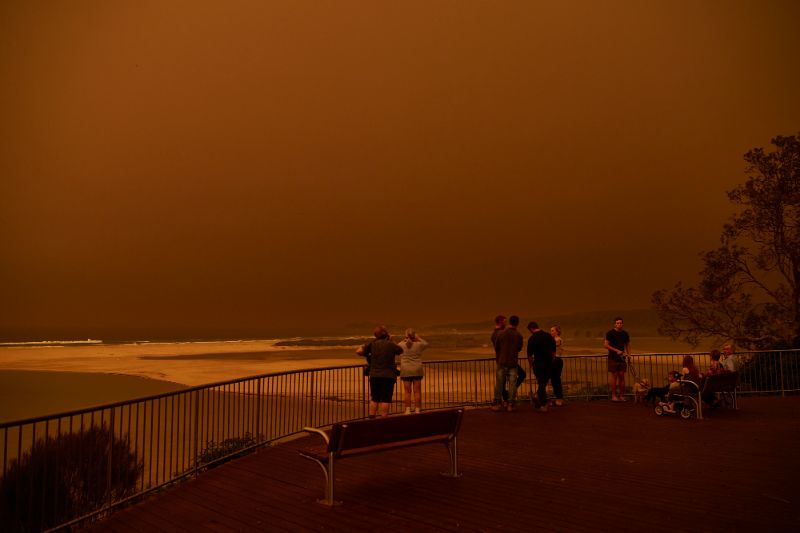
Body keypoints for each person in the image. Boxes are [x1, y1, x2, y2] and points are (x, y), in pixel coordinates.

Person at [356, 326, 403, 417]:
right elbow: (401, 350)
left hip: (374, 375)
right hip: (388, 375)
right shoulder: (390, 344)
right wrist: (392, 340)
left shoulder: (372, 344)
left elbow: (358, 351)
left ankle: (371, 418)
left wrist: (367, 354)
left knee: (374, 398)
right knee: (386, 399)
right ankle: (383, 420)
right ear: (386, 334)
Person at [492, 315, 523, 412]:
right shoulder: (519, 335)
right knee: (512, 384)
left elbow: (497, 347)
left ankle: (497, 403)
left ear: (509, 322)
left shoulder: (501, 333)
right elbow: (519, 348)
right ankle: (511, 404)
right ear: (517, 323)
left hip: (502, 362)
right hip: (513, 363)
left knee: (499, 383)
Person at [527, 321, 556, 412]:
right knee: (543, 383)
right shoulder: (548, 336)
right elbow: (553, 352)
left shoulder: (532, 339)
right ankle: (542, 402)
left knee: (541, 383)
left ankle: (541, 402)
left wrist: (532, 365)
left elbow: (529, 355)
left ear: (531, 329)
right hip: (548, 363)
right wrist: (552, 361)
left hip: (538, 364)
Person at [399, 328, 428, 414]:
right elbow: (426, 344)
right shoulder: (419, 345)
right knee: (417, 391)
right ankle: (417, 410)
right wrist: (418, 338)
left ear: (406, 336)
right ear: (414, 335)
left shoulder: (401, 344)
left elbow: (396, 347)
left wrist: (404, 339)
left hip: (406, 370)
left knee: (407, 392)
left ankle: (407, 410)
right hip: (417, 369)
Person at [603, 317, 630, 402]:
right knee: (614, 376)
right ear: (615, 324)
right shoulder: (610, 333)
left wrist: (629, 355)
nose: (619, 324)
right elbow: (606, 345)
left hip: (622, 358)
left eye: (620, 323)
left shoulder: (625, 334)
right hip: (613, 358)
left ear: (622, 324)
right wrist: (616, 350)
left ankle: (622, 396)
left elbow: (627, 345)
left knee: (622, 376)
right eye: (617, 323)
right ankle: (613, 396)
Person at [550, 325, 565, 406]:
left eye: (552, 330)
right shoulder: (552, 340)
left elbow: (554, 346)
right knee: (554, 380)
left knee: (556, 380)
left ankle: (559, 398)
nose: (551, 332)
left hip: (557, 360)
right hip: (554, 360)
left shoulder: (558, 339)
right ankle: (558, 398)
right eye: (551, 330)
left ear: (557, 332)